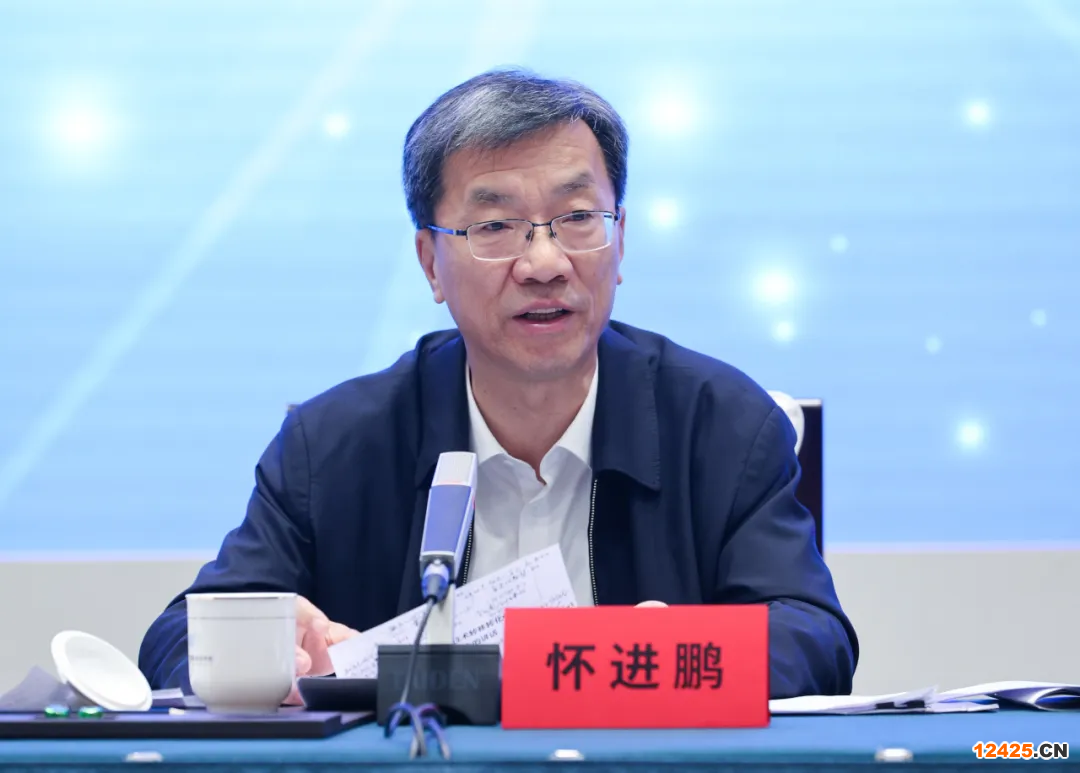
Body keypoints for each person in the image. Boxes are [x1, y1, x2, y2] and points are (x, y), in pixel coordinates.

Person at [139, 68, 858, 701]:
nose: (545, 262)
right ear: (430, 262)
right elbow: (176, 639)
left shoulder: (723, 424)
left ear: (621, 239)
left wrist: (664, 657)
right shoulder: (332, 447)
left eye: (578, 218)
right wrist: (262, 649)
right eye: (496, 226)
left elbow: (814, 638)